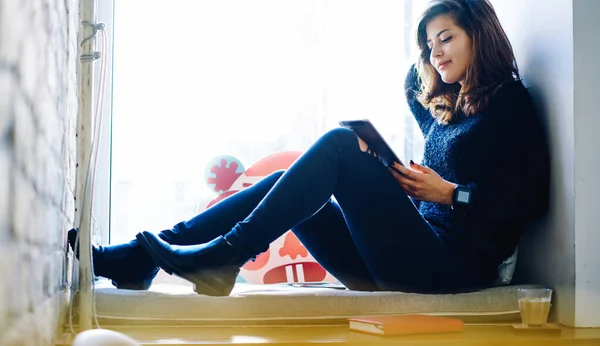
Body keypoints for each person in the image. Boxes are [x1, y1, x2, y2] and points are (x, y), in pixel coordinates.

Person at [69, 0, 550, 296]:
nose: (435, 53)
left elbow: (530, 202)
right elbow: (411, 82)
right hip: (403, 257)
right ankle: (144, 256)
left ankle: (223, 257)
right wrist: (396, 173)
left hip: (451, 268)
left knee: (340, 145)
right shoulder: (448, 108)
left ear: (480, 35)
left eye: (446, 38)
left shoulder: (511, 104)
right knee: (288, 181)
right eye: (428, 45)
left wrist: (451, 195)